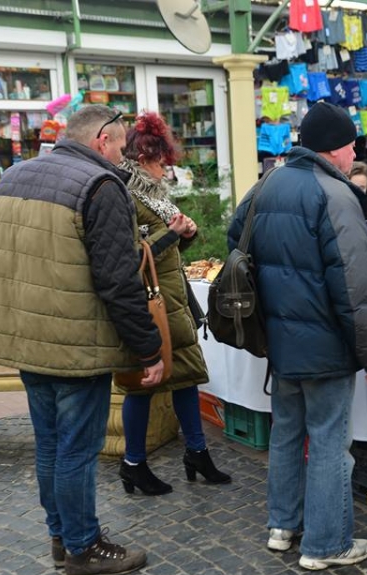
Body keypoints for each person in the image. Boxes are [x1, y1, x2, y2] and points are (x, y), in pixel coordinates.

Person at [0, 104, 162, 575]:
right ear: (101, 140)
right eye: (121, 146)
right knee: (75, 449)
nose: (124, 155)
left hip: (25, 336)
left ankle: (62, 537)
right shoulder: (100, 185)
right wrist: (148, 348)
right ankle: (83, 547)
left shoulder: (14, 176)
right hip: (75, 343)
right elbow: (119, 280)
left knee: (51, 446)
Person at [228, 101, 367, 571]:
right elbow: (356, 290)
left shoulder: (269, 183)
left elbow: (236, 242)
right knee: (327, 442)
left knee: (286, 432)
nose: (355, 154)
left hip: (280, 341)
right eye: (352, 146)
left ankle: (283, 527)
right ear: (335, 149)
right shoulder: (337, 196)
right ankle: (325, 544)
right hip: (325, 346)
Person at [117, 112, 231, 495]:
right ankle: (134, 463)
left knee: (187, 377)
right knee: (141, 385)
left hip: (173, 299)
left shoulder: (153, 193)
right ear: (141, 158)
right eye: (159, 162)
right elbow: (132, 256)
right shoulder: (126, 195)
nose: (165, 169)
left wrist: (186, 234)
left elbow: (166, 245)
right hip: (149, 303)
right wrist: (172, 233)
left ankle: (197, 453)